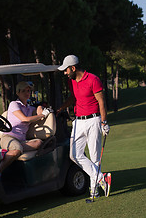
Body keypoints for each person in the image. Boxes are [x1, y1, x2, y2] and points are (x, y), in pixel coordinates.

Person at [56, 55, 111, 198]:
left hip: (94, 120)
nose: (65, 73)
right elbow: (73, 98)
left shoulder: (93, 79)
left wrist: (104, 122)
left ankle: (94, 190)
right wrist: (61, 108)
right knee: (74, 155)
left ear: (73, 68)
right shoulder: (71, 82)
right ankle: (102, 178)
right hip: (78, 121)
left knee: (94, 157)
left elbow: (101, 102)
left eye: (66, 70)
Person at [0, 81, 52, 175]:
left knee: (39, 143)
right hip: (9, 138)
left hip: (21, 140)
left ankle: (7, 151)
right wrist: (42, 115)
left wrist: (39, 107)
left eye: (28, 91)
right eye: (24, 91)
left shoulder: (29, 108)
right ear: (18, 93)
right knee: (17, 150)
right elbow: (25, 119)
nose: (27, 93)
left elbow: (38, 110)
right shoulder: (14, 104)